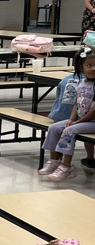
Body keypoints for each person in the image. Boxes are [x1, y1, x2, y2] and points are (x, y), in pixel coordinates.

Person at [38, 44, 95, 181]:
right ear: (82, 67)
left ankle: (67, 167)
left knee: (69, 130)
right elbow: (76, 104)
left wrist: (76, 122)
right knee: (54, 127)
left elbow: (94, 111)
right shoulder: (81, 83)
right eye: (89, 65)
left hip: (92, 122)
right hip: (83, 120)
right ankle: (54, 161)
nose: (93, 69)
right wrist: (71, 119)